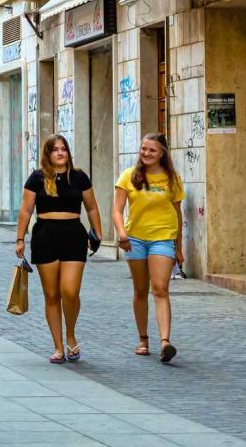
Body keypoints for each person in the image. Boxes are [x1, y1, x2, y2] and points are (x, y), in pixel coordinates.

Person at [15, 134, 103, 364]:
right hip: (45, 235)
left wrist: (97, 231)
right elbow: (26, 210)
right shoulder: (37, 178)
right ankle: (57, 346)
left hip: (74, 235)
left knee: (70, 292)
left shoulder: (79, 177)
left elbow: (92, 208)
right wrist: (20, 239)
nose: (60, 153)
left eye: (63, 149)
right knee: (52, 294)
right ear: (48, 154)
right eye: (55, 149)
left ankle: (71, 334)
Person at [114, 133, 185, 363]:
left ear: (162, 153)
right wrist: (122, 234)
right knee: (140, 289)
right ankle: (143, 339)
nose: (146, 153)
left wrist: (178, 248)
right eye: (143, 149)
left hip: (163, 238)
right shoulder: (128, 177)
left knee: (161, 288)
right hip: (135, 239)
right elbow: (117, 209)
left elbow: (177, 214)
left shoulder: (172, 179)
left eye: (152, 150)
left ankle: (165, 341)